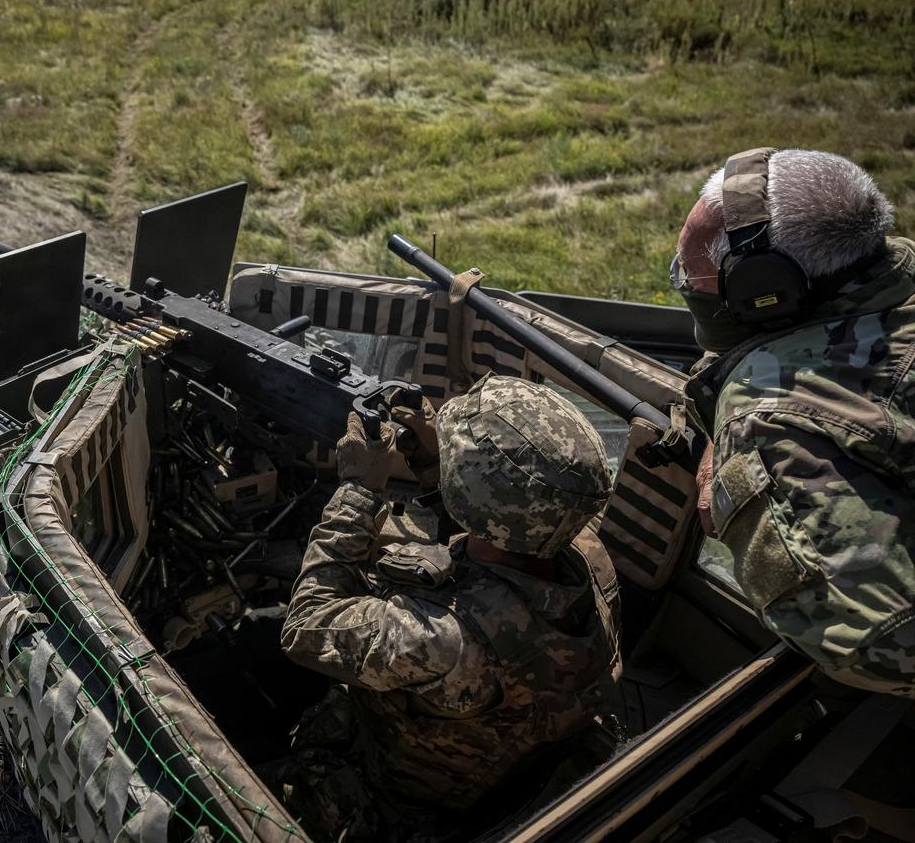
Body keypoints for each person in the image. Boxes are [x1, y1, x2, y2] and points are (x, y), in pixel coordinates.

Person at [280, 375, 621, 840]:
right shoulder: (588, 556)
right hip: (504, 768)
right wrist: (437, 461)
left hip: (402, 800)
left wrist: (357, 492)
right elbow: (502, 534)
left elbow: (305, 626)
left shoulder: (443, 641)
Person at [675, 147, 915, 697]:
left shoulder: (767, 417)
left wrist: (743, 461)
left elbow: (878, 645)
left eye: (691, 269)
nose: (684, 280)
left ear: (765, 290)